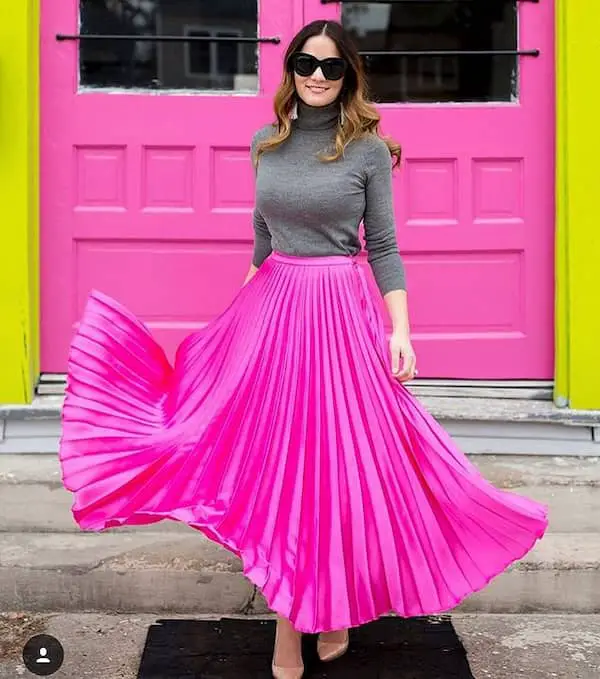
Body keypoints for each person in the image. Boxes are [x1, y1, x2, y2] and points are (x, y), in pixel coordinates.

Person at [58, 19, 549, 679]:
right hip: (276, 310)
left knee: (332, 470)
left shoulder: (369, 150)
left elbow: (383, 247)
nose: (317, 76)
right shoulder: (266, 143)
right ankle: (301, 620)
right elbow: (262, 240)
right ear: (289, 68)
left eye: (331, 67)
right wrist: (236, 322)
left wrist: (400, 329)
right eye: (305, 63)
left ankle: (323, 611)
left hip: (340, 316)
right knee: (274, 466)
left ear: (349, 76)